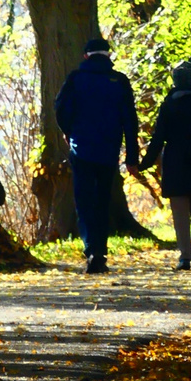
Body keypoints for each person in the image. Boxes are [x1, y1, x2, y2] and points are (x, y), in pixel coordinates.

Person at [54, 36, 141, 274]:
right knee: (102, 200)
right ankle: (100, 253)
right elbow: (130, 121)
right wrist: (132, 157)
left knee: (84, 201)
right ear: (108, 55)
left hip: (81, 148)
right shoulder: (120, 81)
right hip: (108, 149)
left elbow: (60, 108)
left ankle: (91, 248)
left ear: (86, 56)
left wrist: (68, 131)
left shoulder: (75, 79)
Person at [139, 61, 191, 271]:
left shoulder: (169, 105)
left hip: (176, 162)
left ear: (175, 80)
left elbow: (158, 138)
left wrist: (143, 164)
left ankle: (185, 256)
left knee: (181, 212)